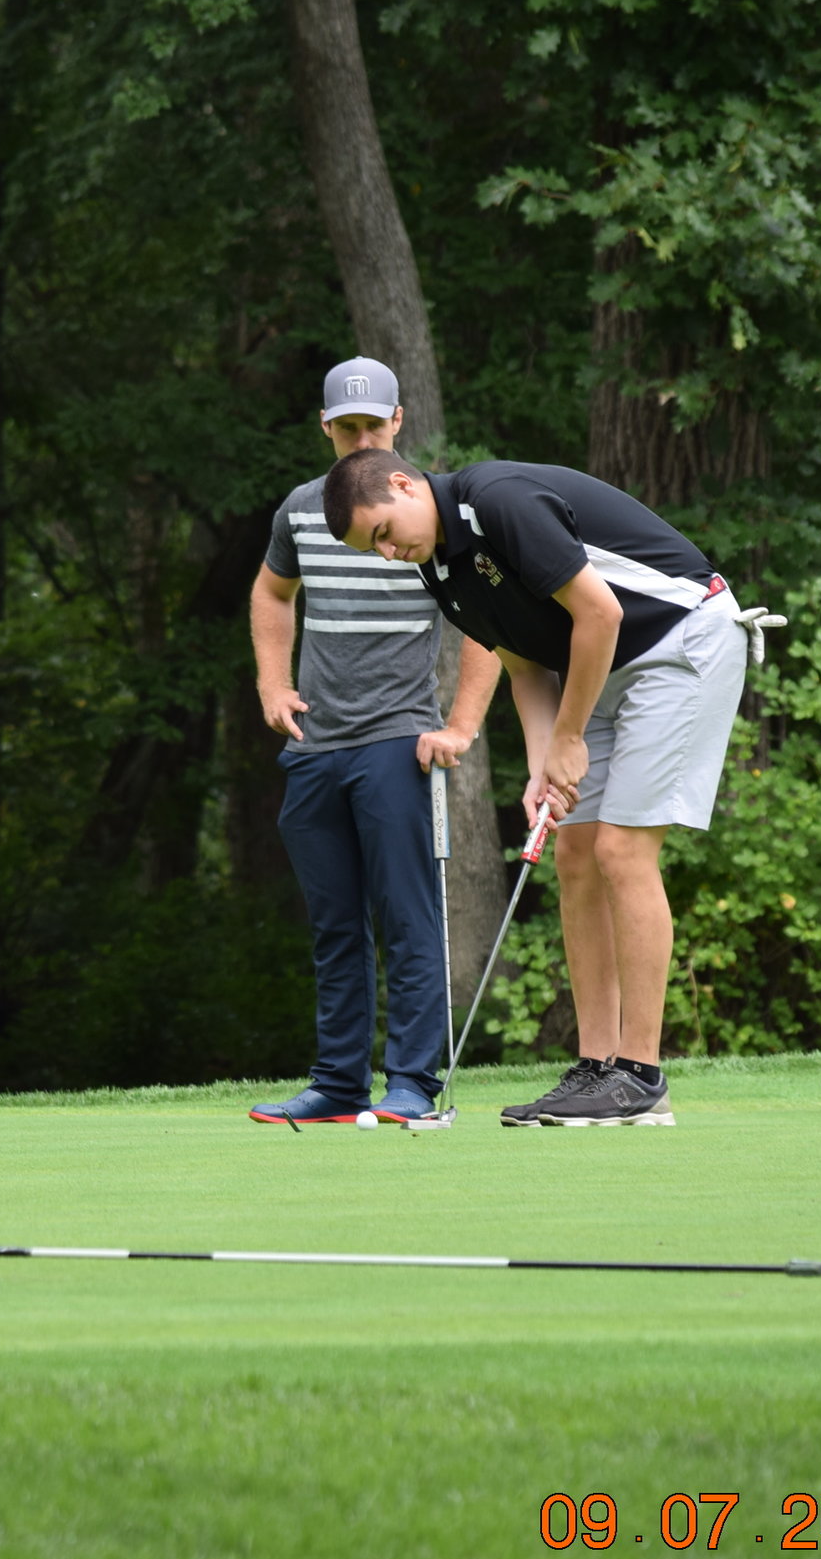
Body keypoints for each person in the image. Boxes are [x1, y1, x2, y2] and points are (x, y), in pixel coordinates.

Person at [329, 445, 769, 1127]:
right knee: (573, 853)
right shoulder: (440, 571)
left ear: (402, 483)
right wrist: (543, 765)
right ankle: (598, 1070)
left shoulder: (498, 500)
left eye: (382, 532)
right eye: (372, 549)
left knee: (621, 851)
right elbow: (526, 666)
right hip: (604, 668)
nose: (387, 552)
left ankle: (641, 1078)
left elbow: (601, 614)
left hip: (683, 638)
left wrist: (567, 739)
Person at [245, 358, 501, 1127]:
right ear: (326, 428)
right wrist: (270, 681)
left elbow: (486, 621)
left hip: (397, 743)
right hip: (316, 746)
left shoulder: (422, 508)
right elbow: (270, 592)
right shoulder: (299, 510)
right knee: (334, 922)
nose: (361, 439)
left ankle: (413, 1082)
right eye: (346, 427)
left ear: (397, 421)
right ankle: (338, 1082)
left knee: (406, 915)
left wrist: (460, 727)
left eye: (373, 425)